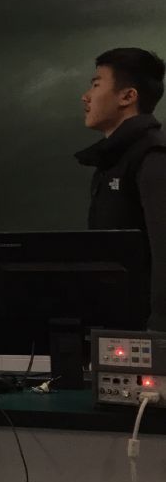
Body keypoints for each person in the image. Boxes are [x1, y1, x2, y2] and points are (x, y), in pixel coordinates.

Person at [76, 47, 166, 330]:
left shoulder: (153, 156)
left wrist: (158, 331)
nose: (86, 96)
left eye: (96, 85)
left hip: (145, 332)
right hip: (114, 323)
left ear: (128, 96)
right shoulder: (111, 159)